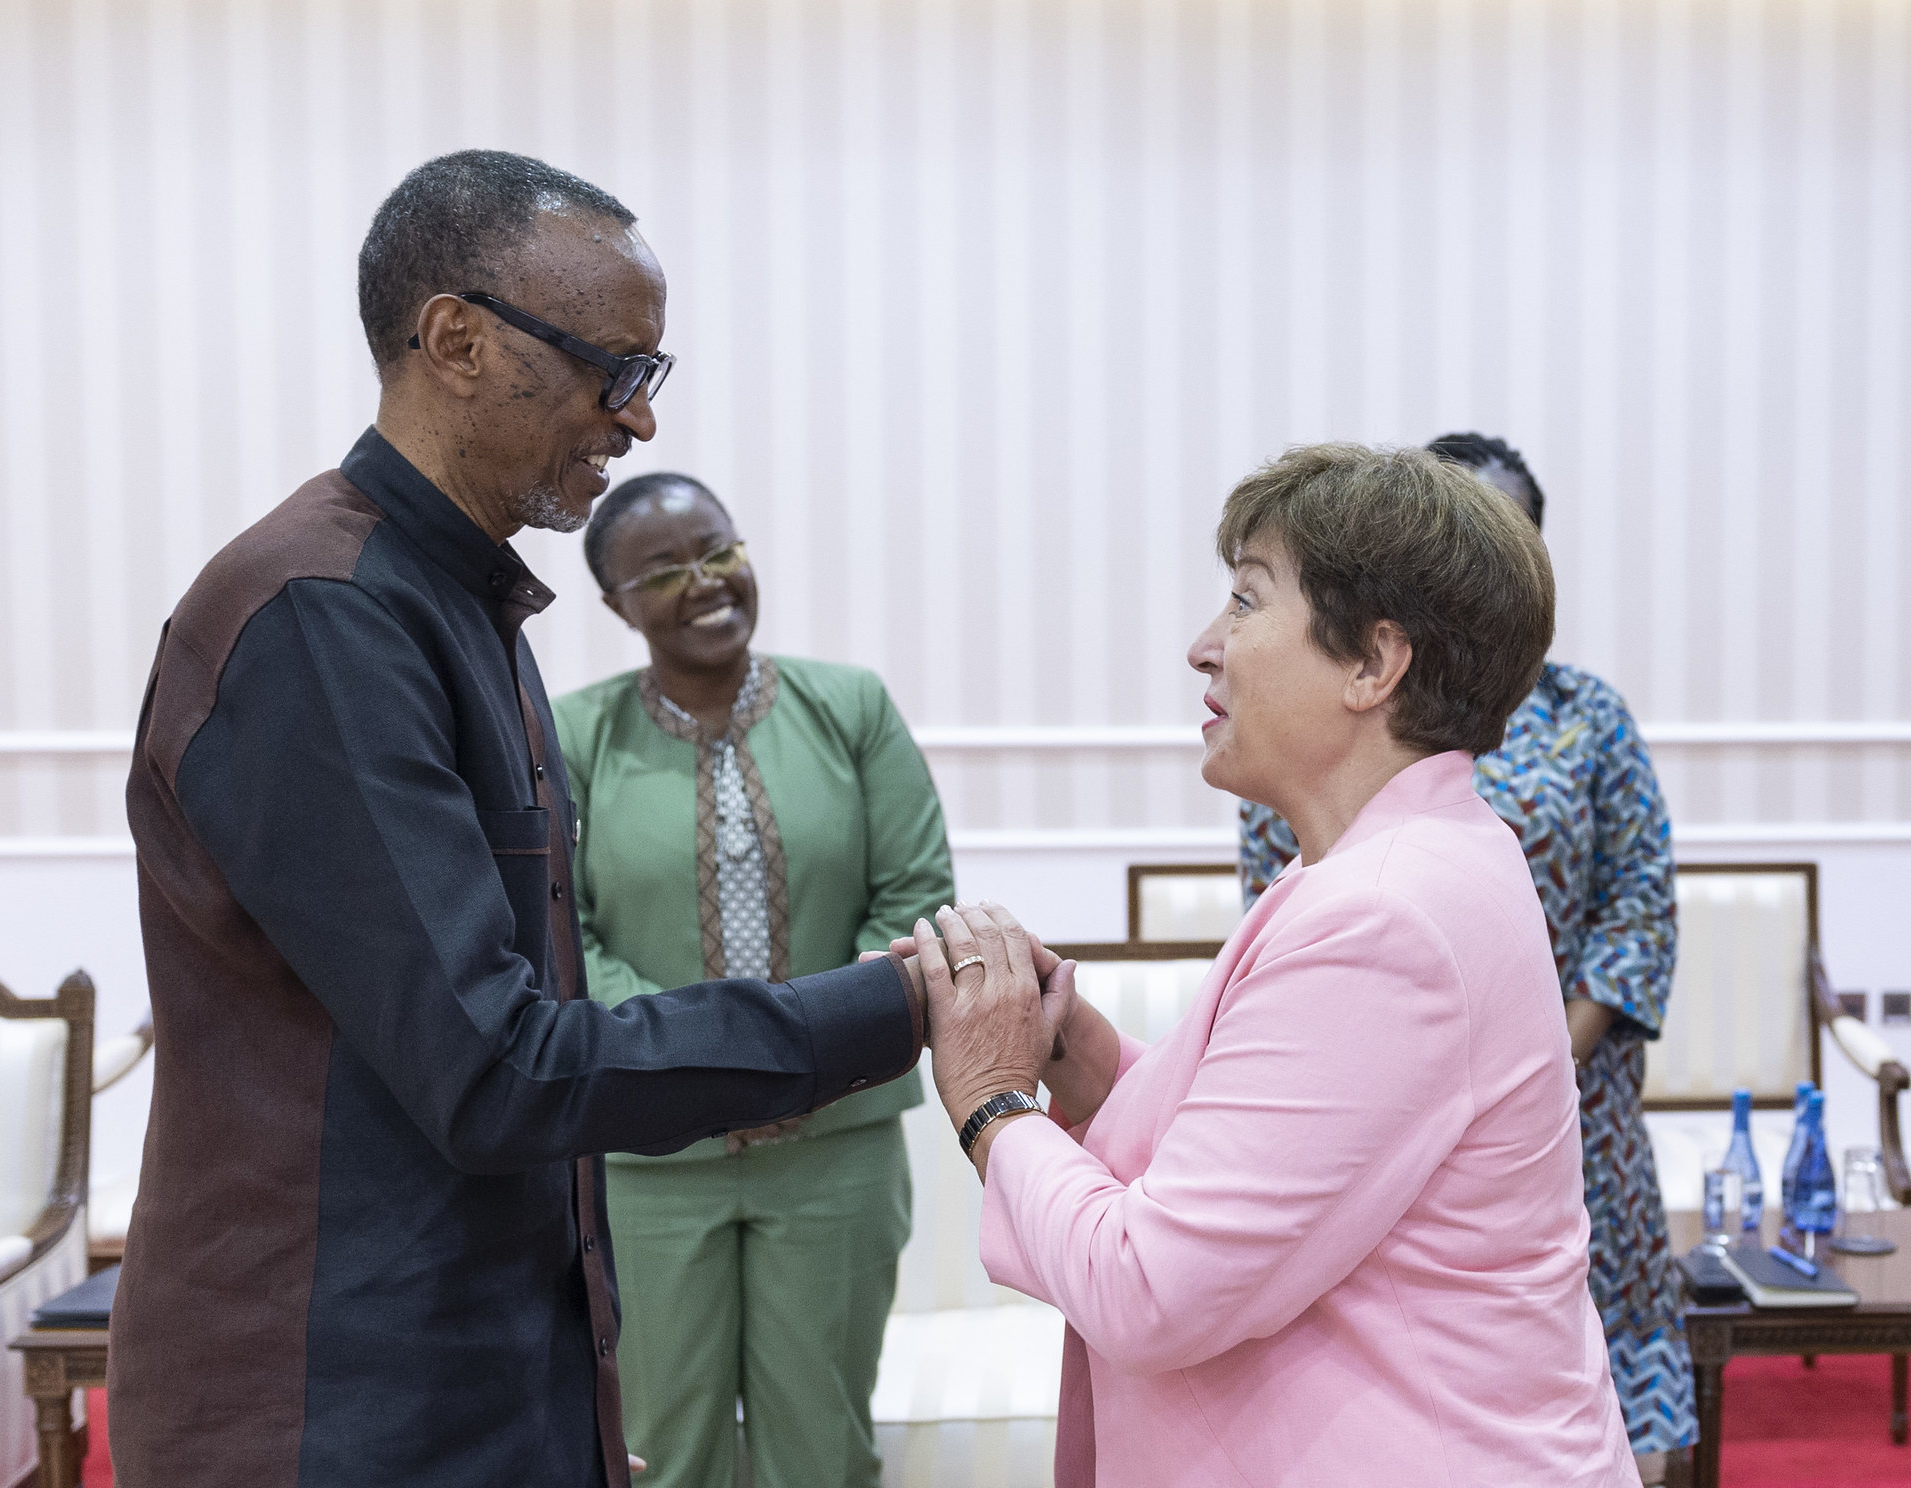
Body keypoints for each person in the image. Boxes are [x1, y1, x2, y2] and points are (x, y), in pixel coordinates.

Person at [110, 151, 924, 1488]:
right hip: (335, 1400)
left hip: (486, 1355)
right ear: (458, 341)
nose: (637, 420)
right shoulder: (324, 618)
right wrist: (897, 1001)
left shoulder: (457, 603)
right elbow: (498, 1071)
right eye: (615, 370)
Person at [907, 445, 1638, 1486]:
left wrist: (992, 1101)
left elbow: (1148, 1290)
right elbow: (1286, 1141)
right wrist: (1087, 1060)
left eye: (1246, 601)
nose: (1203, 648)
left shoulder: (1382, 914)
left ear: (1372, 664)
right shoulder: (1400, 860)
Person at [1240, 431, 1694, 1483]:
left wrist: (1537, 1051)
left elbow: (1638, 910)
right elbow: (1279, 904)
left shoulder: (1586, 715)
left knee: (1596, 1406)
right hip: (1377, 1103)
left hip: (1575, 1103)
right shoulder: (1320, 716)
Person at [553, 471, 953, 1488]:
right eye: (663, 571)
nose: (703, 581)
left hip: (836, 1144)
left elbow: (911, 901)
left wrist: (813, 1056)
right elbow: (562, 934)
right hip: (648, 1151)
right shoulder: (573, 736)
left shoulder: (850, 707)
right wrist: (706, 1068)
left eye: (718, 551)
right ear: (616, 605)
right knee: (662, 1451)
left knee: (820, 1447)